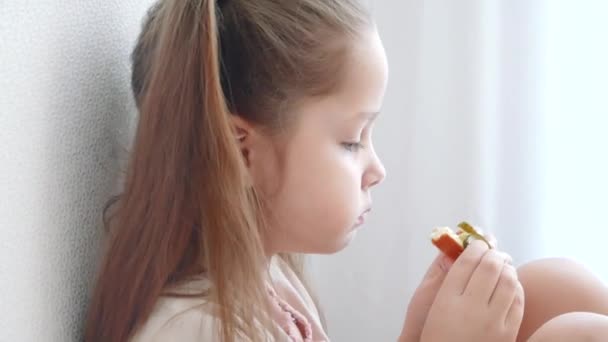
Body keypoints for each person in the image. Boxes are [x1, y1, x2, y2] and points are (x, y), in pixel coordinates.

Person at [84, 0, 608, 341]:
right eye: (352, 140)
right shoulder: (195, 331)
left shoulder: (264, 279)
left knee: (553, 287)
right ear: (242, 151)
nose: (376, 168)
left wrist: (417, 331)